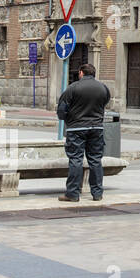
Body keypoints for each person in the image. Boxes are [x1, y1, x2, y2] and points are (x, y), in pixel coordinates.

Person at [56, 63, 111, 203]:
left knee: (76, 160)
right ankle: (97, 193)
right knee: (95, 160)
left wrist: (67, 119)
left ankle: (72, 194)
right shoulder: (103, 88)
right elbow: (105, 103)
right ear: (93, 74)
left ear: (81, 73)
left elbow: (62, 109)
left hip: (76, 128)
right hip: (97, 128)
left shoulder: (73, 87)